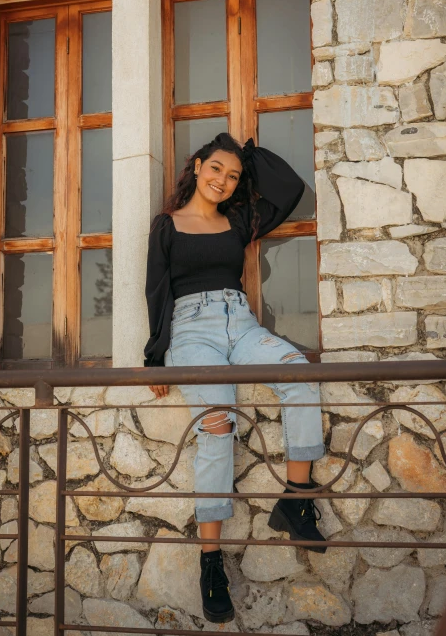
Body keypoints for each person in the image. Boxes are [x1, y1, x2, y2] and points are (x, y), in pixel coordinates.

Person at [144, 132, 325, 624]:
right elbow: (156, 291)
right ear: (197, 166)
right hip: (191, 332)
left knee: (301, 376)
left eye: (233, 175)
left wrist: (248, 155)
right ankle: (210, 563)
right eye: (216, 169)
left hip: (240, 323)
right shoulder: (167, 226)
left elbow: (288, 189)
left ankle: (297, 500)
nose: (223, 180)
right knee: (217, 426)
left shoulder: (239, 220)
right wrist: (156, 356)